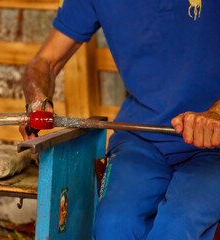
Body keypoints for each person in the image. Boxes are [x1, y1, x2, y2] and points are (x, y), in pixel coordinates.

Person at [19, 0, 220, 239]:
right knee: (112, 226)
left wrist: (216, 112)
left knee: (177, 228)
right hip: (140, 137)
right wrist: (37, 98)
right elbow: (46, 61)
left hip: (213, 146)